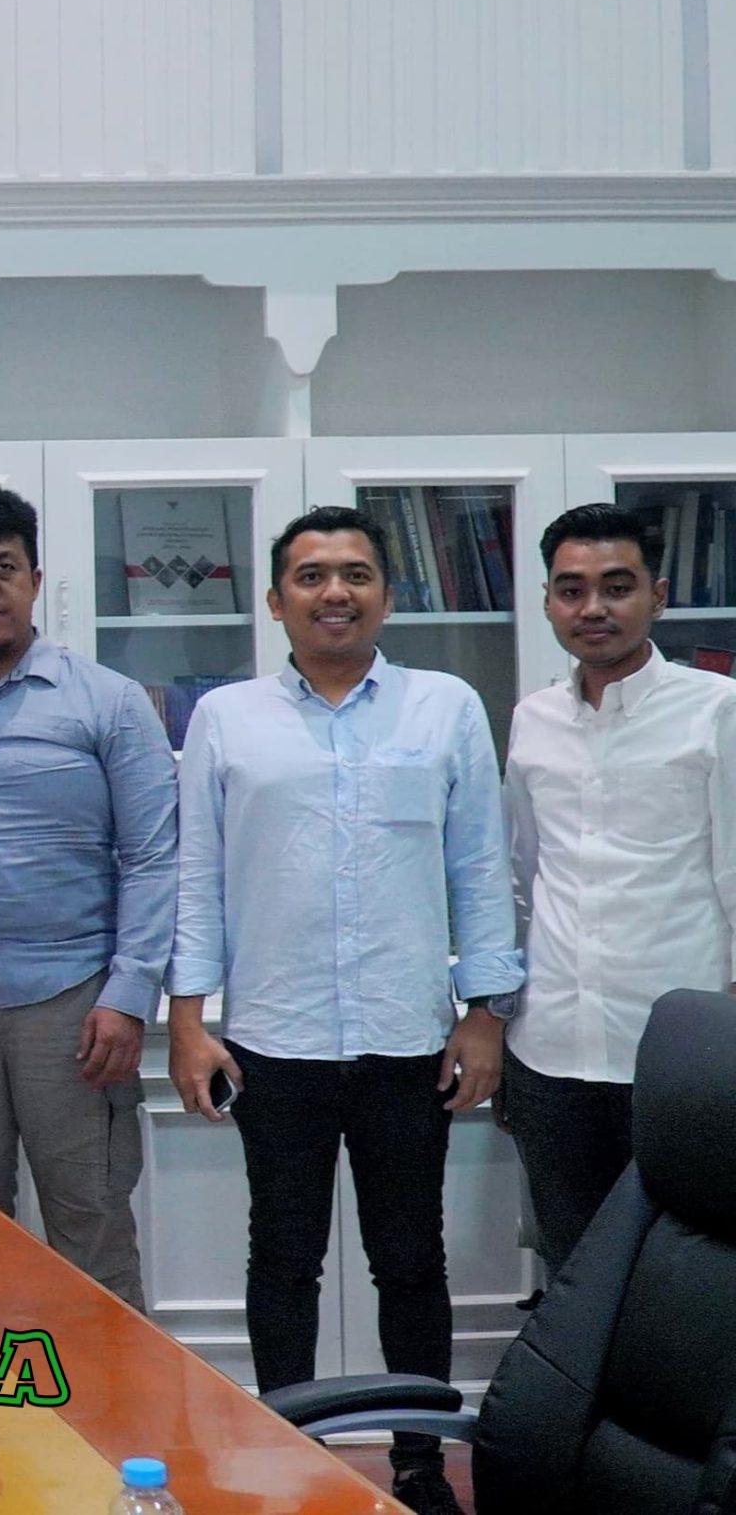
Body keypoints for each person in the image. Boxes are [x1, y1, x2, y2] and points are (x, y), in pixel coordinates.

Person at [167, 505, 521, 1515]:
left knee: (410, 1261)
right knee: (282, 1259)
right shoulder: (227, 717)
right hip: (270, 1039)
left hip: (408, 1037)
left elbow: (480, 867)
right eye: (312, 575)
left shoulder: (443, 707)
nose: (335, 592)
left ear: (386, 595)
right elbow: (198, 878)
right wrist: (187, 1018)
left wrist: (485, 1011)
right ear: (276, 599)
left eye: (356, 573)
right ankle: (289, 1454)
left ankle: (419, 1464)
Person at [0, 487, 175, 1308]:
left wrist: (129, 995)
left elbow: (154, 856)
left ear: (36, 580)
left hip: (76, 1002)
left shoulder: (109, 702)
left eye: (4, 568)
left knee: (90, 1217)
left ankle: (107, 1389)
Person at [504, 502, 736, 1274]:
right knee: (574, 1269)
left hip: (679, 1056)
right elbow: (522, 873)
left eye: (616, 586)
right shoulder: (533, 719)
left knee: (686, 1273)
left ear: (657, 596)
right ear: (547, 603)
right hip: (550, 1051)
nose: (593, 608)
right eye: (571, 590)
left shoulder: (717, 710)